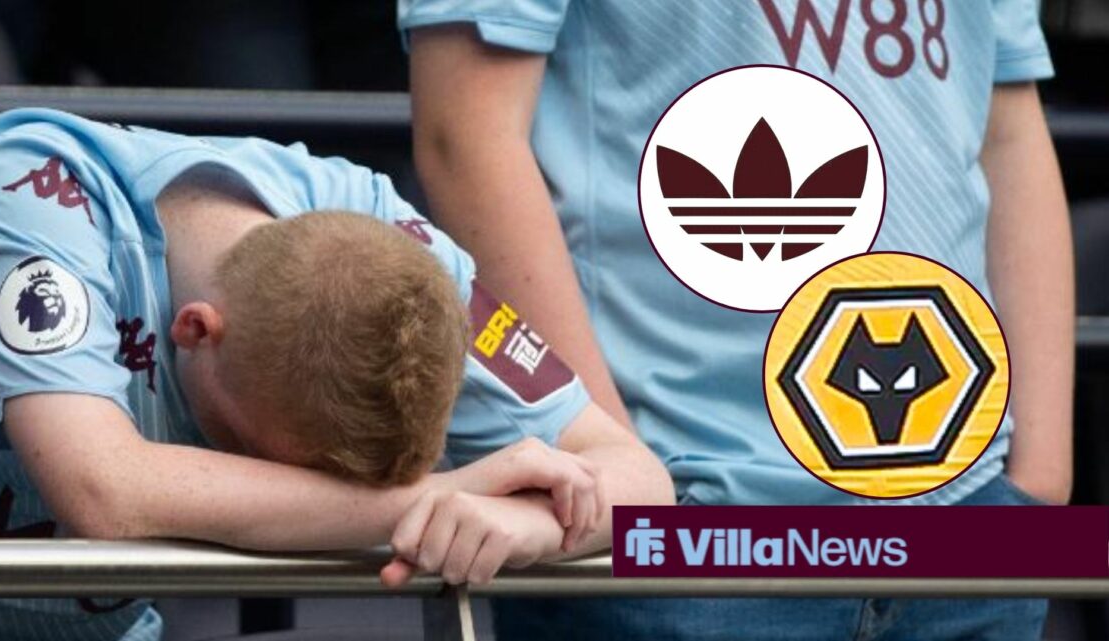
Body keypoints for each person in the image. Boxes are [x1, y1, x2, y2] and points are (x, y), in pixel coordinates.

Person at [399, 0, 1073, 639]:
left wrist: (1036, 485)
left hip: (970, 512)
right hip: (686, 520)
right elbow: (466, 133)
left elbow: (1006, 121)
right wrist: (615, 480)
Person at [0, 107, 674, 641]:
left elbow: (642, 482)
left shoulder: (405, 258)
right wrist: (436, 500)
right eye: (259, 457)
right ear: (195, 329)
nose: (297, 501)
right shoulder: (33, 185)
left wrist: (524, 525)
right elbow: (107, 492)